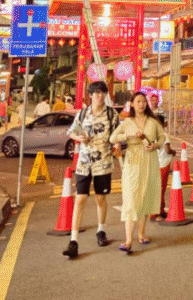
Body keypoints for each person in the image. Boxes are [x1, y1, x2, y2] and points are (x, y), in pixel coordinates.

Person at [62, 81, 120, 260]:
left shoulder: (111, 114)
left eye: (102, 93)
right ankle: (73, 241)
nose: (99, 96)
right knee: (80, 199)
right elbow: (71, 131)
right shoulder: (83, 112)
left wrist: (117, 144)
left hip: (103, 162)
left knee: (101, 198)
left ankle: (101, 230)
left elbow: (118, 135)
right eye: (96, 93)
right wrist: (78, 137)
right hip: (84, 163)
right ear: (90, 95)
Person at [109, 92, 163, 254]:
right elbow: (113, 137)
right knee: (131, 198)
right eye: (138, 101)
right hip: (133, 161)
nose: (142, 104)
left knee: (145, 195)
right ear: (132, 104)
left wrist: (155, 146)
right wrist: (128, 136)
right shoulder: (127, 122)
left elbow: (162, 138)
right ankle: (128, 240)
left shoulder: (153, 122)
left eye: (143, 101)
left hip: (150, 160)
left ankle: (141, 234)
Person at [149, 113, 175, 222]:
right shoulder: (164, 135)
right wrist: (173, 152)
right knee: (161, 190)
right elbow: (168, 149)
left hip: (154, 165)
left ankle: (160, 210)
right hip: (163, 165)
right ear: (164, 124)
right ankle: (157, 213)